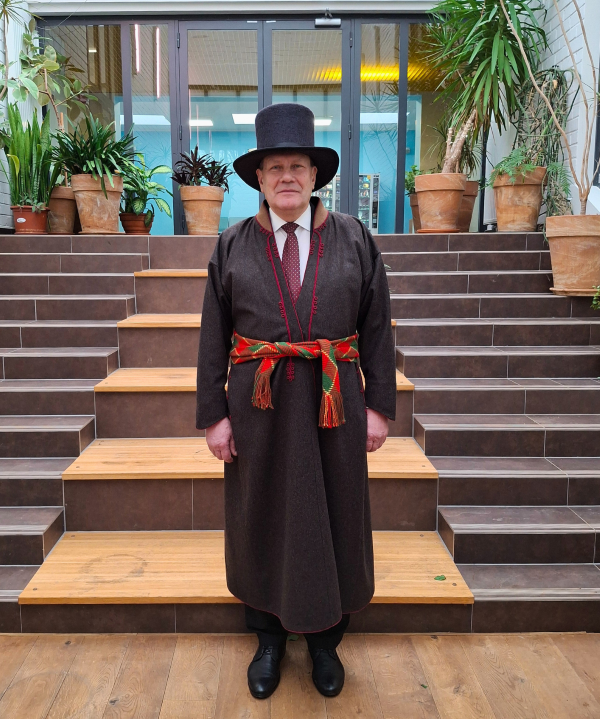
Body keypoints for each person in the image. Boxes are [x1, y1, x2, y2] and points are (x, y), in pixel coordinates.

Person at [196, 103, 396, 699]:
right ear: (259, 178)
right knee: (260, 514)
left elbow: (377, 327)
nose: (287, 176)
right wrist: (214, 416)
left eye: (298, 166)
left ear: (315, 175)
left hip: (335, 405)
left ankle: (326, 642)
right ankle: (268, 638)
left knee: (335, 513)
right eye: (275, 167)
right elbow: (212, 336)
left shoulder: (355, 239)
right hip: (257, 408)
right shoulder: (231, 246)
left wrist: (379, 407)